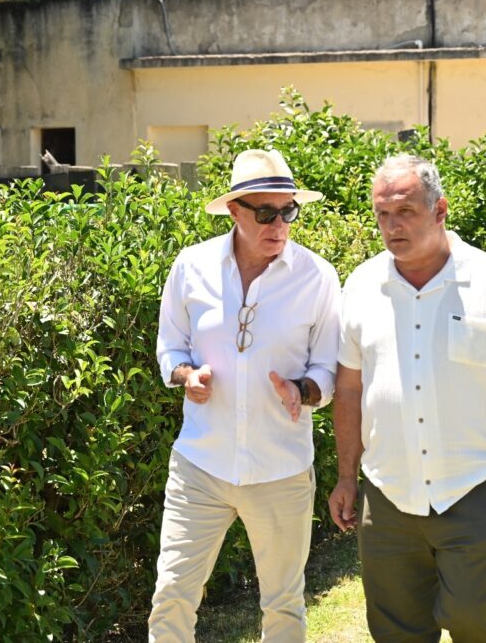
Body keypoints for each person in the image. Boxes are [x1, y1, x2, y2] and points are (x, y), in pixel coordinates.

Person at [327, 154, 486, 641]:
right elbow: (350, 388)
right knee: (395, 632)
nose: (392, 226)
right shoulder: (360, 285)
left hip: (472, 490)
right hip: (388, 496)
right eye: (382, 214)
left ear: (440, 211)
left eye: (406, 212)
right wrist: (347, 477)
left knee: (477, 622)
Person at [149, 148, 341, 642]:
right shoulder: (191, 267)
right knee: (171, 596)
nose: (279, 224)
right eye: (265, 212)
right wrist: (185, 376)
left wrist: (303, 390)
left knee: (283, 607)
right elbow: (169, 346)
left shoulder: (318, 277)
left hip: (281, 469)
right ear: (234, 211)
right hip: (200, 466)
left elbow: (328, 366)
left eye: (288, 211)